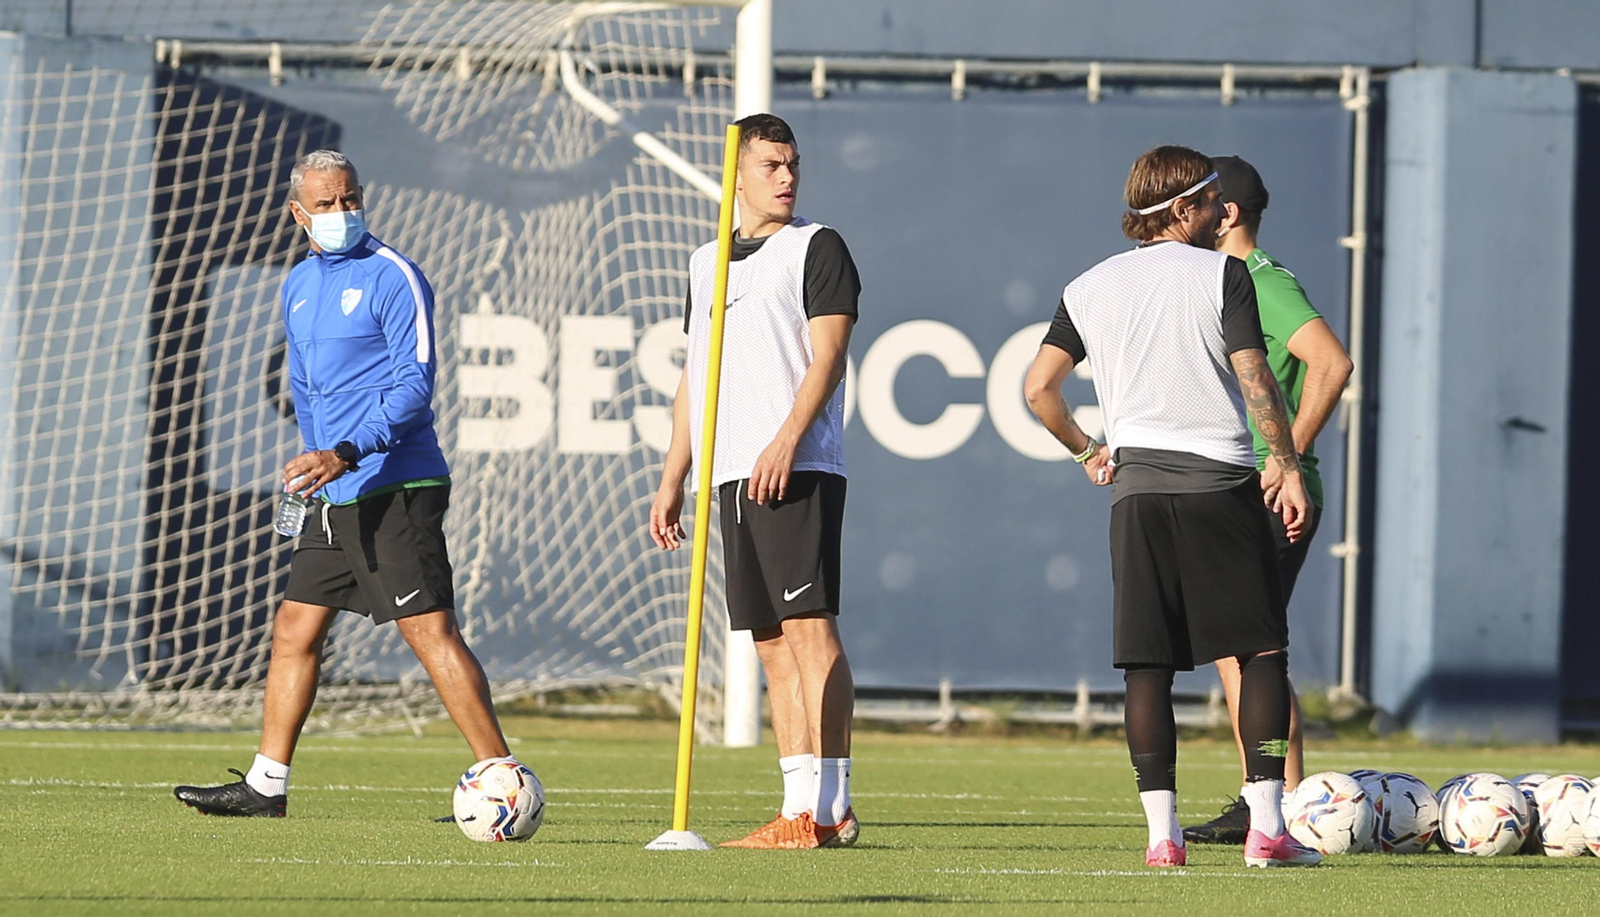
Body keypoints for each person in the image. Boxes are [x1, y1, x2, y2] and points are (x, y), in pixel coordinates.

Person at [174, 150, 518, 816]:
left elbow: (415, 384)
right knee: (294, 629)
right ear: (298, 213)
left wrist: (347, 449)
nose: (342, 214)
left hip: (396, 480)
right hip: (333, 487)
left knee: (427, 631)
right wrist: (314, 460)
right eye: (326, 205)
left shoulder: (395, 275)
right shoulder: (298, 284)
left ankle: (503, 777)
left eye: (350, 199)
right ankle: (265, 786)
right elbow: (302, 384)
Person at [1024, 145, 1320, 868]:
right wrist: (1283, 462)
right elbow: (1256, 377)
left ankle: (1163, 837)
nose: (1224, 212)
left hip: (1138, 491)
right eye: (1212, 200)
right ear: (1181, 209)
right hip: (1220, 479)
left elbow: (1038, 388)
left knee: (1148, 667)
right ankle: (1268, 828)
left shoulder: (1088, 285)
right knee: (1262, 651)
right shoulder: (1225, 274)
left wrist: (1088, 450)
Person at [649, 113, 861, 849]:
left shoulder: (817, 246)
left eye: (792, 164)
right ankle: (796, 806)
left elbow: (827, 357)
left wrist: (785, 440)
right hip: (729, 471)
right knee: (770, 642)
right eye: (771, 165)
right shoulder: (706, 260)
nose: (786, 177)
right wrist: (674, 473)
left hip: (795, 466)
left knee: (809, 629)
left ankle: (830, 805)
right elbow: (693, 373)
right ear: (735, 173)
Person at [1183, 155, 1355, 845]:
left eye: (1201, 199)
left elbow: (1332, 360)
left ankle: (1278, 806)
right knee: (1246, 651)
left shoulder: (1263, 280)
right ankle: (1279, 801)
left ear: (1226, 212)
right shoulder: (1221, 281)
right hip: (1243, 485)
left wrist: (1288, 459)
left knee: (1250, 651)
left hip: (1271, 491)